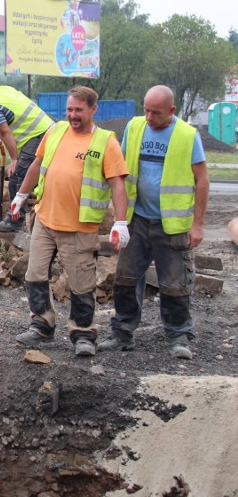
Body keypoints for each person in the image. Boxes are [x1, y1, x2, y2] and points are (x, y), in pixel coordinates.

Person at [11, 86, 130, 357]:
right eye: (69, 110)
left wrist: (120, 222)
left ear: (93, 109)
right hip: (45, 220)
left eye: (79, 110)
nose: (73, 115)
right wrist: (21, 194)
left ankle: (83, 333)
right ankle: (41, 325)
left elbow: (118, 185)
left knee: (81, 283)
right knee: (35, 276)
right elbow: (37, 165)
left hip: (78, 228)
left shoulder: (105, 143)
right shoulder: (55, 132)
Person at [98, 85, 209, 360]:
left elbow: (202, 180)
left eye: (155, 112)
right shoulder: (135, 128)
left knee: (175, 282)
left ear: (172, 111)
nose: (149, 116)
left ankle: (179, 336)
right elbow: (120, 172)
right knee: (125, 279)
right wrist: (120, 219)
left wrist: (198, 225)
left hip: (171, 224)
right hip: (137, 220)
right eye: (146, 109)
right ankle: (122, 333)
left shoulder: (186, 135)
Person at [0, 77, 55, 232]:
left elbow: (4, 130)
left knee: (17, 176)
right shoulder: (4, 90)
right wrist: (5, 139)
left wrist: (14, 158)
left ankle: (15, 221)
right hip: (48, 130)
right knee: (40, 176)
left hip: (37, 136)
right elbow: (15, 118)